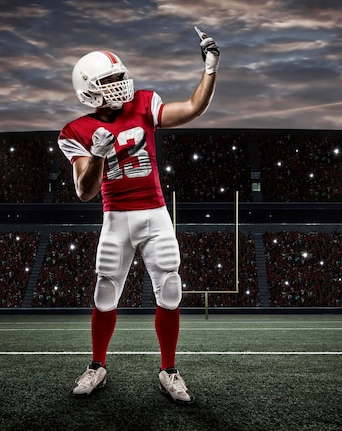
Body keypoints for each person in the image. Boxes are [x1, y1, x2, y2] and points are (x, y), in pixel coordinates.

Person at [57, 28, 220, 404]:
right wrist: (97, 154)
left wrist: (210, 69)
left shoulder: (145, 103)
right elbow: (85, 191)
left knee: (171, 288)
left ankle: (169, 369)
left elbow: (193, 108)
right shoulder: (75, 130)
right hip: (116, 218)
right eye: (109, 80)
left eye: (119, 76)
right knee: (104, 294)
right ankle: (97, 365)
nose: (120, 84)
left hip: (155, 213)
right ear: (88, 89)